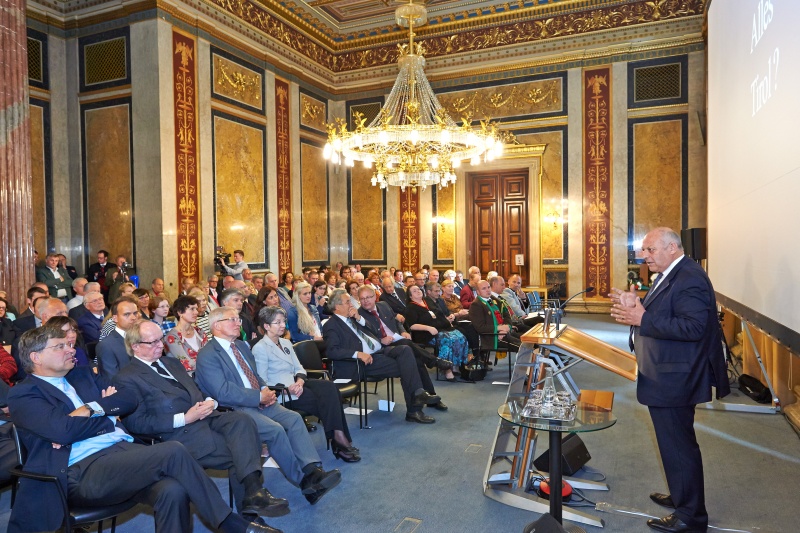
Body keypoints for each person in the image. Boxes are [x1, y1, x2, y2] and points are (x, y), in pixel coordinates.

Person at [7, 324, 281, 533]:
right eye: (60, 347)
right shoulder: (25, 395)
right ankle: (231, 525)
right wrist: (106, 415)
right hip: (82, 471)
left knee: (173, 490)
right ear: (36, 357)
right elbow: (64, 431)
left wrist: (91, 410)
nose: (71, 349)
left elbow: (126, 399)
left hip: (124, 455)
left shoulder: (80, 376)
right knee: (173, 451)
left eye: (69, 345)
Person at [609, 227, 729, 533]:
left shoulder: (688, 278)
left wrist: (642, 318)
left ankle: (691, 517)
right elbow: (663, 312)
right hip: (666, 372)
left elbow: (693, 328)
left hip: (676, 377)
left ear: (672, 248)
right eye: (645, 250)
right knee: (673, 444)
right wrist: (635, 307)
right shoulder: (672, 273)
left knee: (679, 446)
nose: (644, 256)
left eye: (650, 250)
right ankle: (681, 496)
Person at [113, 320, 290, 519]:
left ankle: (253, 497)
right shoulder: (127, 377)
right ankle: (251, 506)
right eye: (152, 342)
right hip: (179, 433)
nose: (160, 345)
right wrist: (184, 418)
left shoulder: (171, 363)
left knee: (243, 421)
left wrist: (210, 402)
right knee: (242, 451)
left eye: (160, 340)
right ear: (135, 346)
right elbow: (135, 423)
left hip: (205, 417)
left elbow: (197, 390)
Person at [195, 306, 342, 505]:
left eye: (238, 319)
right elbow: (222, 392)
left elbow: (256, 376)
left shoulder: (241, 346)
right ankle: (303, 481)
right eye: (233, 320)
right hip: (236, 408)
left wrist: (266, 391)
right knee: (275, 431)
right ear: (216, 325)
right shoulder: (208, 354)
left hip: (259, 400)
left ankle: (312, 470)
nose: (239, 323)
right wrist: (258, 397)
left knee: (294, 418)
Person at [252, 306, 360, 462]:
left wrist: (300, 381)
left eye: (283, 321)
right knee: (326, 400)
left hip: (298, 384)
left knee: (330, 388)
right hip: (283, 392)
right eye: (277, 322)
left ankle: (338, 438)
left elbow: (299, 368)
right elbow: (262, 381)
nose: (282, 325)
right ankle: (340, 441)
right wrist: (286, 389)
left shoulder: (285, 343)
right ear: (267, 326)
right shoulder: (260, 348)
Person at [322, 289, 440, 424]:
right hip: (361, 363)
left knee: (405, 350)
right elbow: (331, 351)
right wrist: (357, 354)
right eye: (348, 301)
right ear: (337, 306)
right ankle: (415, 408)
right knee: (408, 365)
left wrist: (359, 318)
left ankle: (418, 395)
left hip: (379, 351)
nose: (351, 304)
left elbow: (373, 329)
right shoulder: (331, 325)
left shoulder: (352, 318)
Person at [404, 285, 470, 381]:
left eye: (418, 289)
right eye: (414, 291)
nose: (418, 291)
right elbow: (411, 325)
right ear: (410, 296)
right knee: (448, 340)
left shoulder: (427, 302)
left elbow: (440, 314)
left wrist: (447, 322)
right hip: (425, 333)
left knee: (461, 337)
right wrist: (428, 328)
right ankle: (446, 369)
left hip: (440, 329)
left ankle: (456, 365)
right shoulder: (411, 307)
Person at [468, 280, 522, 356]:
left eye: (488, 287)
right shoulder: (476, 305)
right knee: (523, 348)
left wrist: (506, 327)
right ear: (478, 292)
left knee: (527, 343)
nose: (488, 290)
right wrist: (499, 329)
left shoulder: (494, 300)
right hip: (492, 338)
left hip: (503, 334)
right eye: (484, 288)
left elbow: (506, 315)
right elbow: (480, 327)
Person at [164, 295, 209, 374]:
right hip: (188, 378)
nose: (196, 312)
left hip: (206, 373)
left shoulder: (200, 332)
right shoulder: (172, 337)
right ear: (180, 312)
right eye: (192, 309)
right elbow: (187, 364)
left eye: (196, 309)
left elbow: (210, 354)